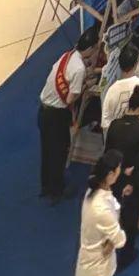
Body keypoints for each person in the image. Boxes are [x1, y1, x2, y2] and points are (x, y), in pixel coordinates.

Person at [68, 150, 127, 276]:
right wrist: (112, 239)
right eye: (118, 169)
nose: (120, 171)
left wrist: (111, 238)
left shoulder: (92, 193)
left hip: (91, 271)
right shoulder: (101, 209)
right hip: (98, 275)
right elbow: (120, 239)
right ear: (110, 174)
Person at [105, 85, 139, 266]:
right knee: (131, 215)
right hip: (132, 181)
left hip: (114, 176)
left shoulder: (114, 125)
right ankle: (127, 253)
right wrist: (132, 178)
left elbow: (108, 152)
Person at [39, 37, 89, 201]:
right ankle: (56, 190)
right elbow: (69, 99)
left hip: (43, 110)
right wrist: (83, 88)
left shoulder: (67, 56)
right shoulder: (79, 68)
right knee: (59, 152)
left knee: (47, 150)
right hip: (57, 115)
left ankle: (46, 185)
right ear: (91, 48)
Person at [100, 42, 139, 127]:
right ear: (135, 63)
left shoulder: (109, 81)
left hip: (113, 129)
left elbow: (105, 119)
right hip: (132, 129)